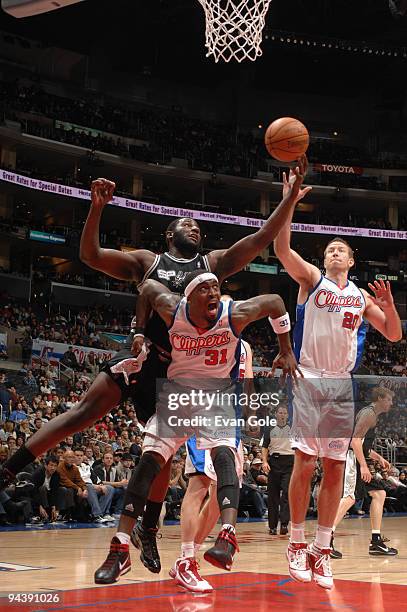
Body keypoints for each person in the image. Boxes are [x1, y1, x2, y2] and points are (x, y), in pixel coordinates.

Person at [0, 168, 308, 569]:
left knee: (160, 460)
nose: (194, 228)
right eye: (185, 224)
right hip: (147, 360)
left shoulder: (212, 263)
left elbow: (260, 238)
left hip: (179, 375)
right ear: (168, 235)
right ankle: (8, 470)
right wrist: (96, 209)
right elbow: (90, 256)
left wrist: (287, 201)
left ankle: (146, 528)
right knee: (81, 414)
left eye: (198, 225)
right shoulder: (149, 261)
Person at [94, 271, 299, 584]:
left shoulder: (234, 317)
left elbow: (274, 301)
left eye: (217, 287)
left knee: (224, 457)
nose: (214, 292)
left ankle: (227, 536)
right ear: (190, 296)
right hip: (178, 397)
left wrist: (285, 350)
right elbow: (147, 286)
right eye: (206, 288)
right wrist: (137, 332)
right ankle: (120, 547)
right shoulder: (173, 308)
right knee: (150, 461)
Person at [273, 162, 402, 590]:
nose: (333, 253)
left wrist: (389, 301)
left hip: (342, 384)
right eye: (329, 249)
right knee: (305, 462)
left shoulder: (362, 297)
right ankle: (295, 541)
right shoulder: (312, 281)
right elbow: (281, 249)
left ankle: (321, 549)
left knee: (333, 468)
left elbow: (395, 334)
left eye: (340, 250)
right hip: (310, 378)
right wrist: (289, 200)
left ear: (352, 259)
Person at [168, 338, 252, 593]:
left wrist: (250, 412)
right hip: (203, 414)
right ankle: (186, 559)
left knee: (221, 495)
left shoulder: (245, 346)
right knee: (199, 484)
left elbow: (246, 381)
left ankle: (187, 559)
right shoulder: (202, 336)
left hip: (231, 420)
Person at [331, 387, 398, 558]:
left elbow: (363, 446)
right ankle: (324, 539)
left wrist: (378, 458)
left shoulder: (372, 415)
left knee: (379, 493)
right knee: (350, 497)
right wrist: (363, 466)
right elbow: (354, 441)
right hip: (352, 459)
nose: (391, 403)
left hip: (357, 457)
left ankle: (375, 541)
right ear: (380, 398)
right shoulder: (368, 414)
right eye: (389, 399)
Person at [261, 404, 294, 535]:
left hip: (289, 463)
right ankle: (272, 526)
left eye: (284, 413)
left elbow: (298, 447)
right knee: (273, 496)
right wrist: (264, 461)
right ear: (276, 414)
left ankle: (284, 524)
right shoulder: (269, 429)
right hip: (274, 462)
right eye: (280, 412)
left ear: (287, 415)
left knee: (286, 494)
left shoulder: (292, 429)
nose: (282, 415)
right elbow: (264, 447)